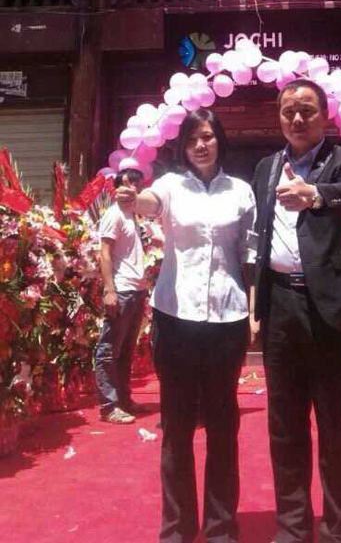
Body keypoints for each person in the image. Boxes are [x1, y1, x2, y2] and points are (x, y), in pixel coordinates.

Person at [116, 109, 257, 543]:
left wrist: (254, 313)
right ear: (183, 145)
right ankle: (177, 528)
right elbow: (150, 203)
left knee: (222, 426)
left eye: (208, 137)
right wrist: (132, 199)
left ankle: (221, 528)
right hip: (176, 319)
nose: (201, 145)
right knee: (176, 427)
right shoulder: (171, 186)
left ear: (220, 141)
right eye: (193, 138)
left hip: (227, 319)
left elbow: (249, 256)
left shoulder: (241, 191)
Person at [251, 79, 341, 543]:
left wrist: (314, 194)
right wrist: (255, 305)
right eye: (288, 111)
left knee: (337, 425)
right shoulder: (266, 167)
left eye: (306, 109)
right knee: (284, 426)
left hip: (330, 309)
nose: (297, 118)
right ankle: (293, 527)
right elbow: (260, 236)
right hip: (280, 306)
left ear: (325, 115)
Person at [95, 168, 149, 424]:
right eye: (127, 183)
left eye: (137, 183)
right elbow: (104, 253)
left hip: (137, 290)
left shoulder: (134, 215)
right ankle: (109, 406)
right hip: (122, 289)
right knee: (109, 349)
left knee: (126, 350)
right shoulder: (113, 214)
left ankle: (124, 399)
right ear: (117, 188)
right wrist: (109, 289)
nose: (133, 188)